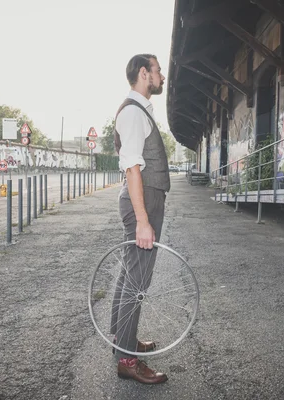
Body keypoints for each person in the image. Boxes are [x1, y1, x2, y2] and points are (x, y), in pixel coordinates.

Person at [109, 54, 170, 385]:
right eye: (158, 70)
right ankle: (128, 361)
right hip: (142, 202)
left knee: (128, 277)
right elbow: (133, 168)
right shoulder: (133, 113)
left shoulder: (137, 111)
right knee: (136, 285)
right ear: (144, 74)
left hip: (144, 199)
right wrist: (143, 220)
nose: (162, 75)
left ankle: (122, 343)